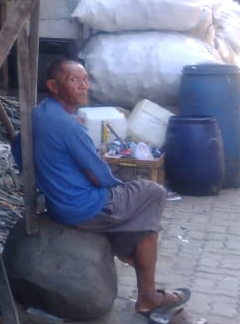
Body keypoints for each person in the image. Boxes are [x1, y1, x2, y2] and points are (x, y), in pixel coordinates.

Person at [33, 59, 191, 318]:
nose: (84, 86)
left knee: (144, 219)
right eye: (74, 80)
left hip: (60, 202)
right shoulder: (70, 127)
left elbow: (20, 150)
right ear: (53, 85)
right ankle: (147, 293)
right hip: (83, 207)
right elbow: (100, 177)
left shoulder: (40, 113)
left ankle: (139, 271)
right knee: (153, 193)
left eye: (85, 79)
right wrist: (114, 178)